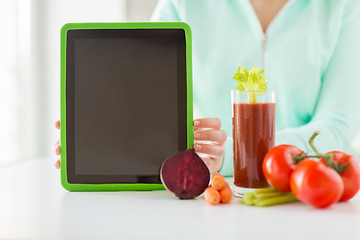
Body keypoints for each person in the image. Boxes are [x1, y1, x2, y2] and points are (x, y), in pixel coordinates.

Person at [54, 0, 360, 176]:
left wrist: (225, 157)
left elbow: (337, 127)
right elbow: (139, 100)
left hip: (306, 195)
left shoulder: (344, 6)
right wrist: (99, 134)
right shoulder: (182, 3)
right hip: (211, 197)